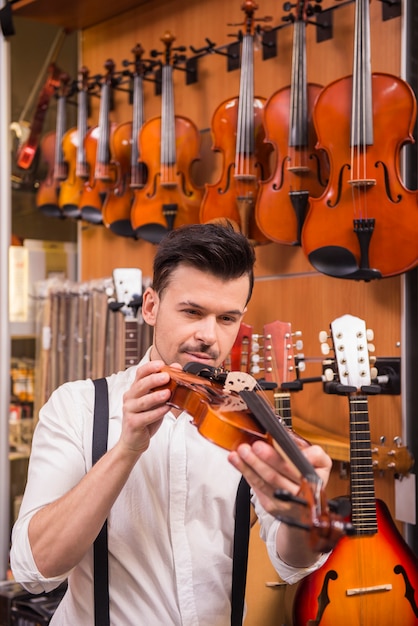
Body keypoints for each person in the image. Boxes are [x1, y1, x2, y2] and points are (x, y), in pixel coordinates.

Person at [10, 223, 333, 626]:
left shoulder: (247, 418)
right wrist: (125, 450)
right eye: (192, 311)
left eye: (227, 318)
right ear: (151, 306)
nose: (208, 336)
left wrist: (301, 513)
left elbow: (293, 563)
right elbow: (34, 571)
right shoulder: (77, 406)